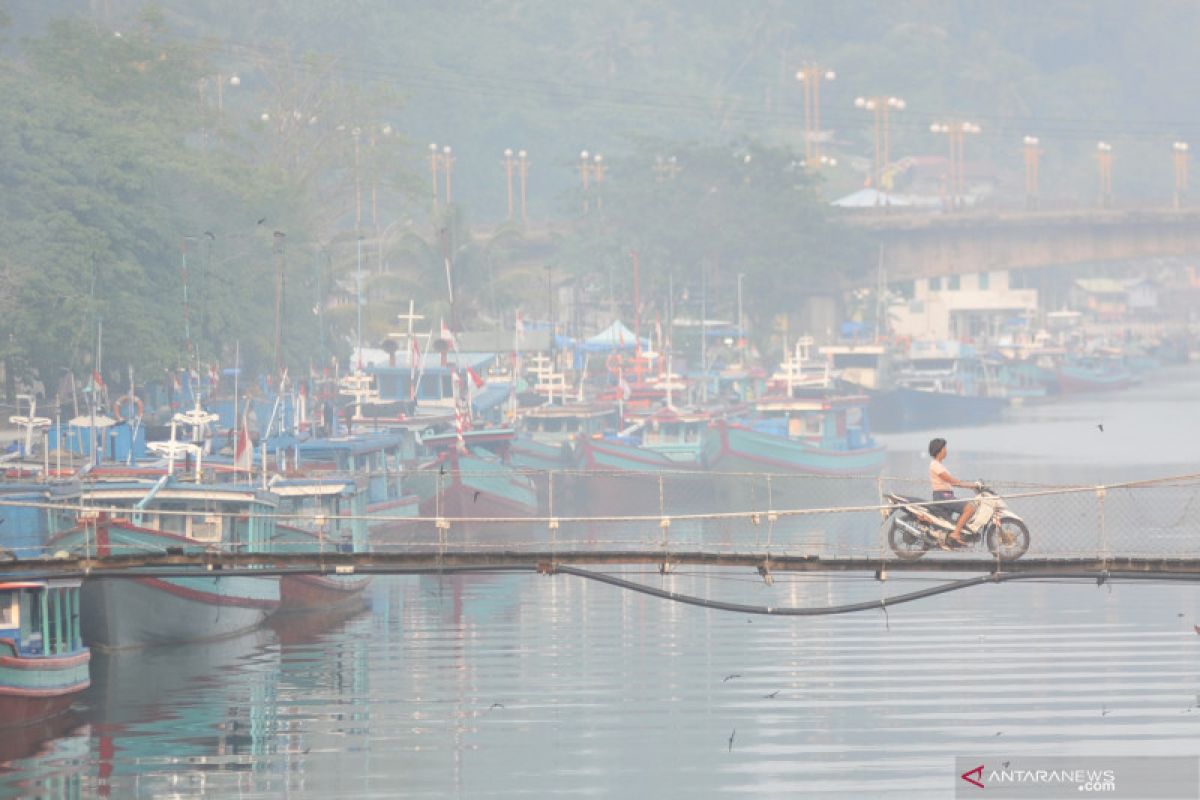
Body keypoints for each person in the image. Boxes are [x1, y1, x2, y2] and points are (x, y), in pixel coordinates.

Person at [928, 437, 977, 548]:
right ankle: (956, 533)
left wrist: (968, 485)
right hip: (942, 496)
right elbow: (950, 480)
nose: (946, 450)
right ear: (939, 450)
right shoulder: (935, 465)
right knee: (969, 508)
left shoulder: (939, 465)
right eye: (944, 448)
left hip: (947, 495)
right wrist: (969, 485)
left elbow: (951, 481)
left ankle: (955, 532)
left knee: (967, 508)